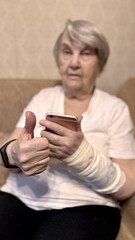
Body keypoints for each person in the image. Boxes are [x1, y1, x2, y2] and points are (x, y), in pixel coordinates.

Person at [0, 19, 135, 240]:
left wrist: (81, 156)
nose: (73, 62)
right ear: (58, 60)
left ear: (100, 65)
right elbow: (4, 151)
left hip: (86, 208)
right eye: (66, 51)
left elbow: (128, 186)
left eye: (86, 53)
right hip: (20, 198)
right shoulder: (43, 97)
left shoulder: (115, 109)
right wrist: (15, 153)